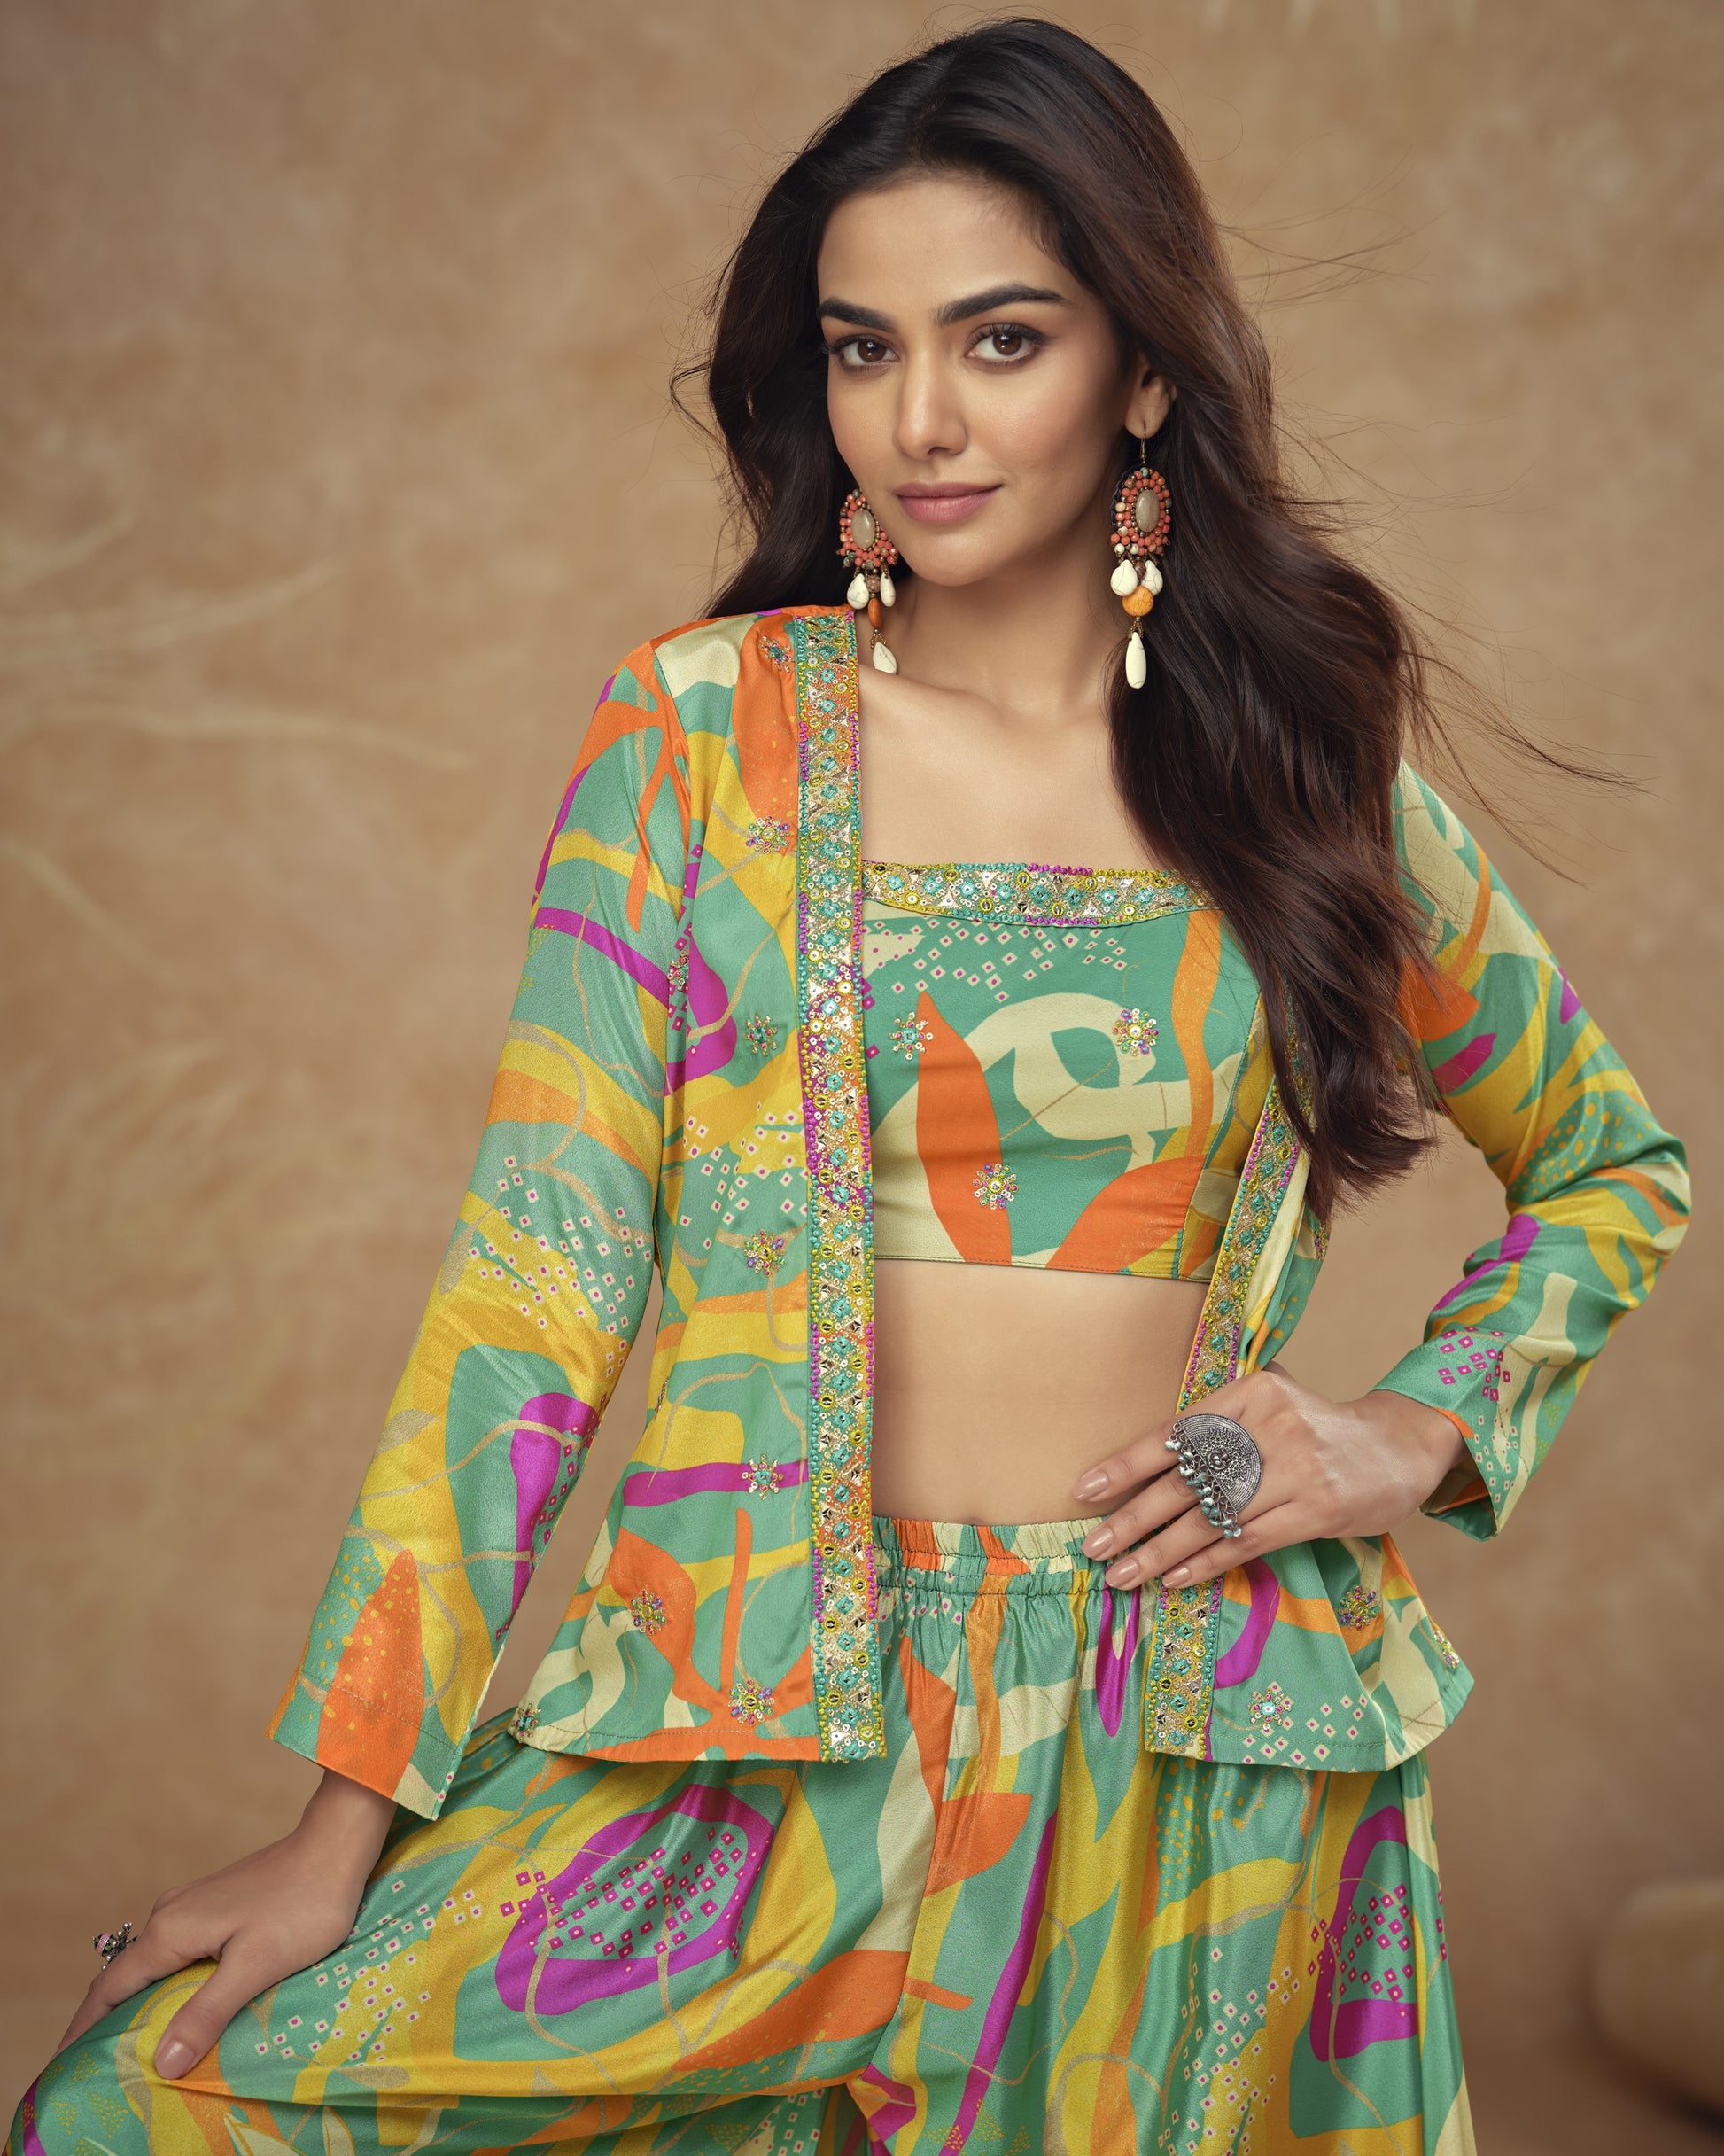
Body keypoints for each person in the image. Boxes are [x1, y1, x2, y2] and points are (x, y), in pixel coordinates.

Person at [11, 19, 1689, 2156]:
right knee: (141, 2110)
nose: (920, 421)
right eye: (861, 348)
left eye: (1002, 340)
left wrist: (1401, 1431)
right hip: (755, 1709)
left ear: (1142, 370)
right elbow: (535, 1284)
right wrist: (346, 1819)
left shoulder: (1295, 773)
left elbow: (1612, 1166)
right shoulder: (699, 737)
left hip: (1187, 1738)